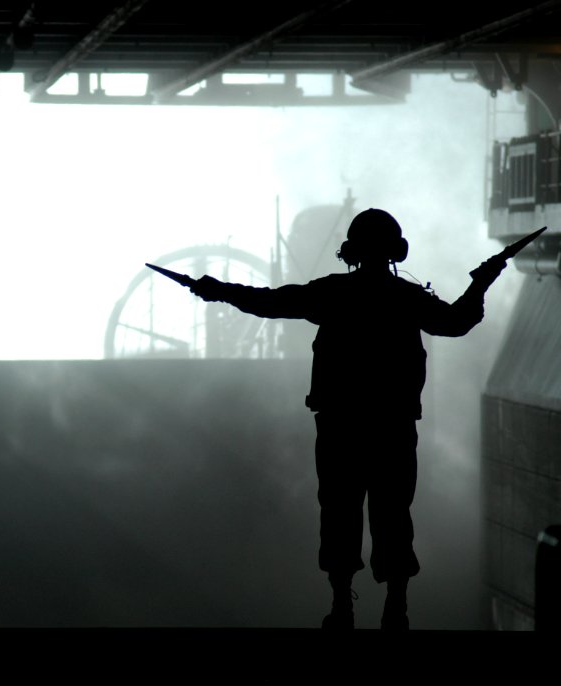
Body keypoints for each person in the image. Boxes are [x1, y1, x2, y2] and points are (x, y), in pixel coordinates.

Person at [189, 208, 507, 630]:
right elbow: (457, 322)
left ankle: (343, 605)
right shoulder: (406, 298)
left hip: (340, 427)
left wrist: (218, 290)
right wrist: (480, 284)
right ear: (397, 249)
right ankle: (396, 606)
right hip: (392, 425)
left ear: (350, 251)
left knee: (339, 512)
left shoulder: (332, 293)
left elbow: (267, 302)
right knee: (393, 512)